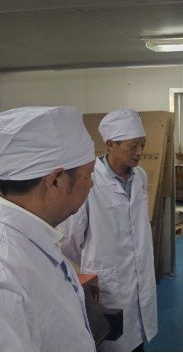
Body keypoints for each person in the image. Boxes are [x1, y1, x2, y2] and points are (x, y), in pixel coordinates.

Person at [60, 109, 157, 353]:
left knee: (137, 340)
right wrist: (97, 260)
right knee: (112, 342)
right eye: (133, 146)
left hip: (139, 275)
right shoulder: (89, 179)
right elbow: (69, 240)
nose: (140, 152)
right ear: (111, 144)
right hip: (109, 282)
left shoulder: (140, 176)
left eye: (143, 145)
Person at [0, 106, 97, 351]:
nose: (92, 184)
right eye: (88, 174)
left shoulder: (30, 237)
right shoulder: (6, 275)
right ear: (55, 181)